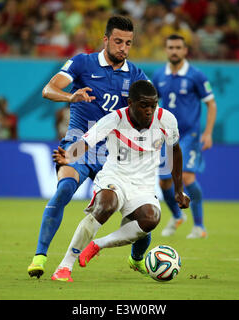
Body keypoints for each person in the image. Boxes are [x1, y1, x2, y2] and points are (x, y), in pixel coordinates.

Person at [27, 16, 151, 281]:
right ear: (105, 40)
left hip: (114, 154)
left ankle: (137, 258)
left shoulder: (137, 75)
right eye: (118, 41)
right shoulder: (83, 62)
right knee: (65, 189)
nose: (123, 48)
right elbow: (48, 90)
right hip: (79, 144)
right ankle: (40, 256)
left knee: (140, 213)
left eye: (128, 43)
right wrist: (70, 96)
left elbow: (148, 114)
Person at [52, 80, 190, 280]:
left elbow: (175, 151)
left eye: (153, 105)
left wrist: (179, 190)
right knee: (106, 205)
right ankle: (64, 266)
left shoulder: (166, 120)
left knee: (151, 218)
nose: (149, 110)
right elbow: (86, 141)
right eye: (144, 105)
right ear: (130, 102)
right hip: (114, 176)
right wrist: (70, 157)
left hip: (143, 185)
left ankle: (98, 244)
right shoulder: (115, 119)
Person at [152, 34, 217, 238]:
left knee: (187, 176)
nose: (174, 51)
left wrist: (207, 133)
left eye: (178, 47)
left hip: (189, 134)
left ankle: (199, 226)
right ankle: (177, 215)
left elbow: (211, 104)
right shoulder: (159, 75)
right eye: (170, 47)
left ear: (185, 50)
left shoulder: (196, 75)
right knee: (164, 182)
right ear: (166, 50)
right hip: (166, 134)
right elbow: (153, 105)